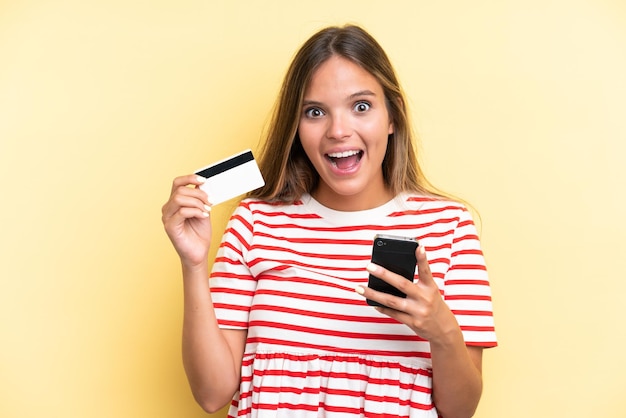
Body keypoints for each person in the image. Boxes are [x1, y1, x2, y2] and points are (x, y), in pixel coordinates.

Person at [162, 24, 497, 418]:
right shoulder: (255, 222)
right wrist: (193, 263)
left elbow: (461, 411)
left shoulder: (450, 227)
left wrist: (441, 330)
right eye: (315, 112)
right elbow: (211, 393)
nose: (338, 131)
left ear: (392, 118)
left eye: (361, 106)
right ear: (297, 127)